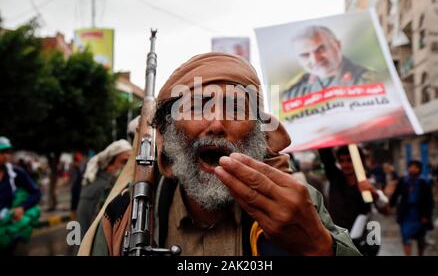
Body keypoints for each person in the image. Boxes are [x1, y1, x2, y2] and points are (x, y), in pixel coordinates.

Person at [79, 52, 360, 256]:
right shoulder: (126, 214)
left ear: (259, 131)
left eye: (236, 108)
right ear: (167, 129)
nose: (216, 124)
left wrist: (320, 248)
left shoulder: (295, 201)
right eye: (198, 106)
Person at [318, 146, 388, 256]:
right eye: (342, 161)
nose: (345, 165)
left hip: (362, 241)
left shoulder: (368, 181)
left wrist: (373, 193)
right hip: (338, 238)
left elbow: (385, 210)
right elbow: (326, 156)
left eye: (350, 160)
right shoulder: (335, 177)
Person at [283, 26, 376, 100]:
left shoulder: (368, 80)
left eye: (321, 49)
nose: (315, 60)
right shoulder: (294, 93)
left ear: (338, 45)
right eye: (305, 55)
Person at [77, 140, 132, 238]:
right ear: (109, 164)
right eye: (124, 162)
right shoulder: (97, 188)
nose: (127, 167)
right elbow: (82, 229)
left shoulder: (117, 186)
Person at [0, 136, 41, 255]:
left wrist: (22, 208)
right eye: (2, 152)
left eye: (7, 151)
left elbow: (36, 193)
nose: (5, 155)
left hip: (7, 229)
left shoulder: (16, 173)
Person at [390, 160, 434, 256]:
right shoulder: (403, 181)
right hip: (406, 214)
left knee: (421, 239)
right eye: (411, 167)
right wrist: (389, 206)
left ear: (419, 170)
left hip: (419, 215)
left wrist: (426, 216)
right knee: (406, 237)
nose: (413, 169)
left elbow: (429, 201)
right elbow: (396, 195)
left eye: (415, 167)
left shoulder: (424, 183)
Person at [69, 152, 85, 218]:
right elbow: (75, 178)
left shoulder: (78, 166)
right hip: (76, 187)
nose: (81, 159)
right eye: (80, 158)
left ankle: (76, 218)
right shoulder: (74, 166)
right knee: (75, 204)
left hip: (78, 186)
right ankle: (75, 219)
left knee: (77, 203)